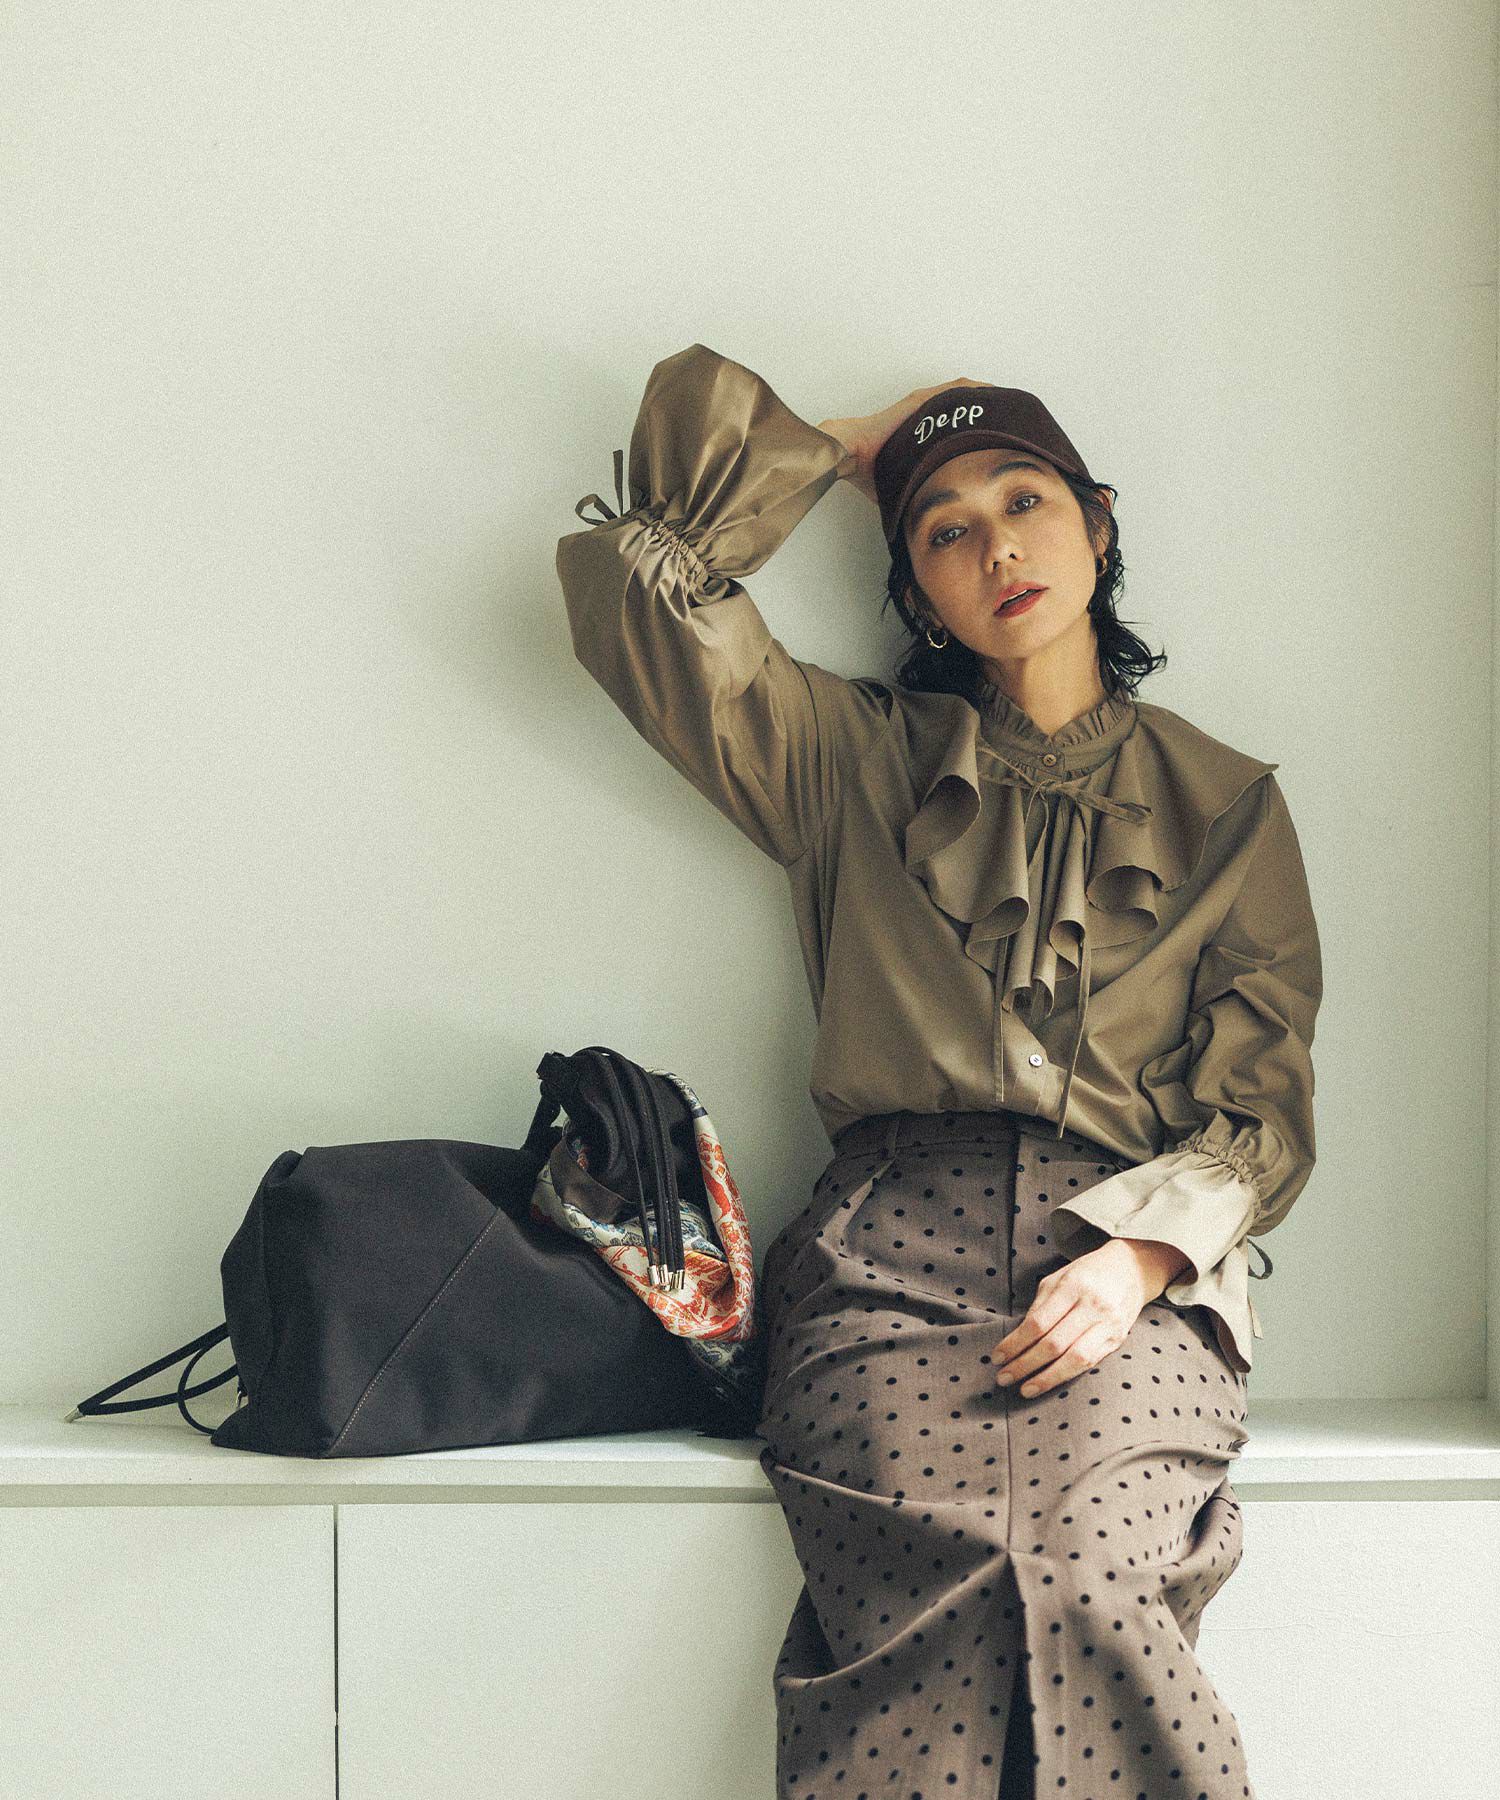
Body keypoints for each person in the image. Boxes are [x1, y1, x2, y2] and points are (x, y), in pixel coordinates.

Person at [555, 342, 1321, 1799]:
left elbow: (1263, 1102)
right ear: (915, 590)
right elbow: (636, 594)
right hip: (885, 1261)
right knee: (941, 1571)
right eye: (945, 531)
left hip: (1132, 1262)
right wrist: (843, 445)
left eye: (1025, 501)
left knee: (1090, 1574)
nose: (997, 547)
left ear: (1099, 524)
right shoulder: (843, 754)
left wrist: (1143, 1260)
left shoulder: (1227, 805)